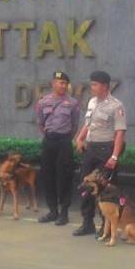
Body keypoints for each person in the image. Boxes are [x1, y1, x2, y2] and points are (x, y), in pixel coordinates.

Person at [73, 70, 127, 236]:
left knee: (106, 190)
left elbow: (120, 132)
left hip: (106, 149)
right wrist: (80, 139)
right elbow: (88, 124)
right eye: (92, 84)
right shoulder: (92, 102)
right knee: (86, 185)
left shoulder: (116, 106)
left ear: (105, 86)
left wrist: (114, 156)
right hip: (91, 148)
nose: (92, 87)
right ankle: (87, 222)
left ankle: (107, 227)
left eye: (95, 84)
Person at [35, 71, 80, 226]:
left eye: (65, 83)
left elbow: (75, 125)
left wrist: (65, 137)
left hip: (64, 142)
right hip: (49, 142)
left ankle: (64, 212)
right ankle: (53, 211)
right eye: (60, 83)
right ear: (53, 83)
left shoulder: (73, 103)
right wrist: (50, 135)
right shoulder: (43, 102)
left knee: (64, 177)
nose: (63, 86)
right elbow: (40, 123)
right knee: (48, 176)